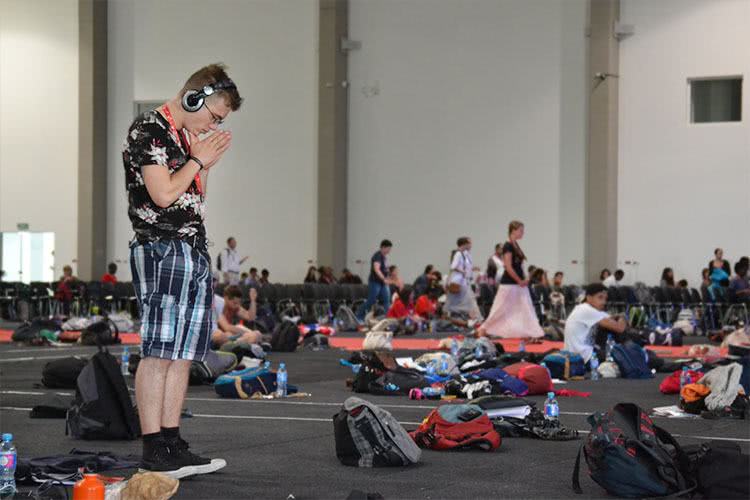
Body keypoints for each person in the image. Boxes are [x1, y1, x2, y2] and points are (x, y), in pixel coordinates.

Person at [124, 63, 241, 477]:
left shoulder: (182, 136)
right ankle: (154, 448)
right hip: (162, 248)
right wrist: (197, 158)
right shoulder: (149, 130)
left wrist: (203, 164)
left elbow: (195, 195)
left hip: (191, 247)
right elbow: (162, 194)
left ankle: (170, 442)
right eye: (214, 115)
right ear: (195, 98)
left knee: (183, 354)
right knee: (159, 351)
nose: (214, 124)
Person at [477, 221, 543, 339]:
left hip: (519, 284)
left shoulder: (515, 244)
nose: (523, 233)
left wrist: (524, 279)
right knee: (499, 309)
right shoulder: (508, 245)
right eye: (521, 230)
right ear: (513, 230)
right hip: (509, 283)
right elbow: (508, 266)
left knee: (526, 307)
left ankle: (530, 333)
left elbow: (518, 266)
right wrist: (519, 280)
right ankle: (482, 329)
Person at [563, 283, 629, 365]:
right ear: (589, 297)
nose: (604, 302)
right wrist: (624, 316)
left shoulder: (583, 308)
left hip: (576, 356)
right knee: (625, 355)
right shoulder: (587, 310)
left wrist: (618, 317)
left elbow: (609, 319)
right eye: (600, 297)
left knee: (608, 330)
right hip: (584, 357)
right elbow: (620, 328)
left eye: (605, 299)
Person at [444, 237, 482, 322]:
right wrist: (463, 271)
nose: (471, 245)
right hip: (459, 281)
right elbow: (453, 266)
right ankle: (477, 319)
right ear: (464, 244)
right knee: (469, 301)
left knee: (453, 302)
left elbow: (464, 266)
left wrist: (471, 269)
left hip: (462, 281)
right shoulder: (458, 254)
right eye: (469, 243)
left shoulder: (464, 254)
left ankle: (476, 319)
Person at [358, 239, 395, 320]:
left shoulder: (384, 257)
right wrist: (384, 278)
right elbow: (376, 269)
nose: (389, 251)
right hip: (375, 282)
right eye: (388, 249)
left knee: (386, 300)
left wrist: (389, 274)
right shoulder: (377, 256)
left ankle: (387, 318)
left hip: (382, 283)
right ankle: (359, 315)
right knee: (371, 300)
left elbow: (384, 269)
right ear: (383, 247)